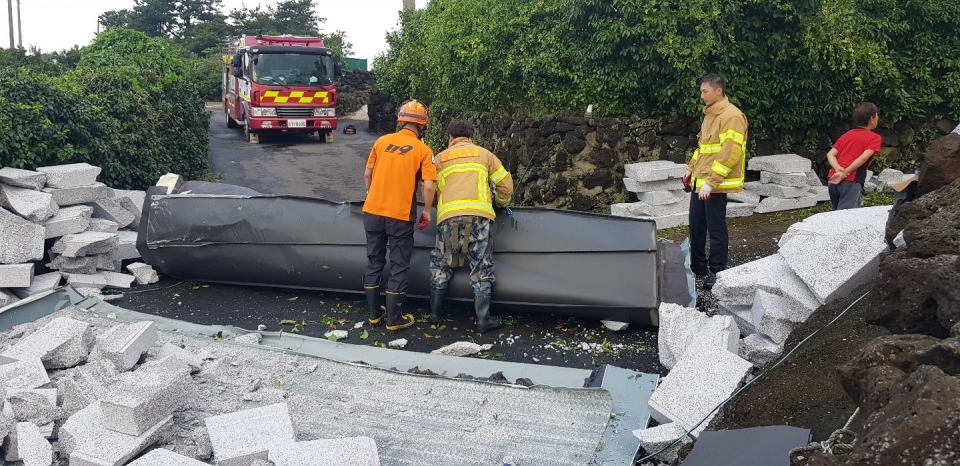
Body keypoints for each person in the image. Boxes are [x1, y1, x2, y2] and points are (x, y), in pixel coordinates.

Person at [424, 120, 514, 333]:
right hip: (479, 218)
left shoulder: (439, 159)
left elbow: (429, 189)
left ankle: (435, 316)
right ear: (471, 137)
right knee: (481, 267)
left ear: (450, 137)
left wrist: (441, 207)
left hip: (449, 218)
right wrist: (501, 203)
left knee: (442, 264)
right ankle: (483, 321)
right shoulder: (484, 154)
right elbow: (505, 185)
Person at [362, 99, 437, 331]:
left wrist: (371, 194)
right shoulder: (424, 150)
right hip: (400, 216)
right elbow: (428, 185)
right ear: (422, 125)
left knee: (374, 260)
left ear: (401, 119)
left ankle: (374, 316)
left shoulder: (382, 141)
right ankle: (394, 318)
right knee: (399, 265)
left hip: (372, 211)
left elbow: (368, 174)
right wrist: (426, 210)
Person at [684, 74, 748, 290]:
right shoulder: (710, 115)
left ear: (718, 91)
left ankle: (718, 271)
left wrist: (711, 182)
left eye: (705, 91)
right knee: (696, 224)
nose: (701, 95)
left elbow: (730, 153)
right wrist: (690, 170)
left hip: (715, 185)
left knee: (715, 227)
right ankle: (698, 266)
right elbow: (703, 149)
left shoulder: (732, 116)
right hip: (700, 182)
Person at [826, 102, 881, 210]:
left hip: (833, 180)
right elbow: (863, 158)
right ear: (872, 119)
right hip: (851, 182)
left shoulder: (847, 135)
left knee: (834, 216)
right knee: (847, 217)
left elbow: (830, 154)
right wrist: (844, 173)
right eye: (877, 115)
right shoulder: (874, 138)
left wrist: (838, 169)